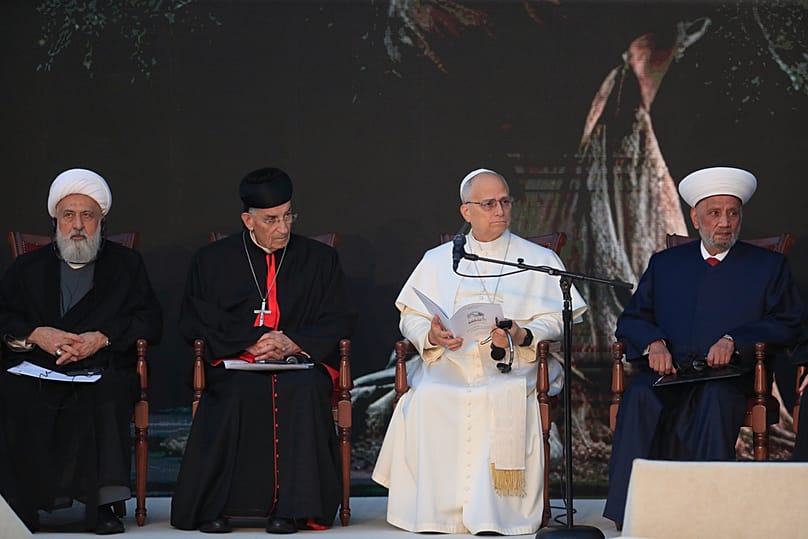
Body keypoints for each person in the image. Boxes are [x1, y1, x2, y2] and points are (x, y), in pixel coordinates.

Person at [372, 168, 587, 535]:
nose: (500, 211)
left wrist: (521, 333)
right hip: (452, 363)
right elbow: (410, 317)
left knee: (498, 396)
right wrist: (432, 335)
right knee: (429, 397)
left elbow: (558, 319)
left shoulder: (538, 259)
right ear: (466, 211)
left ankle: (493, 515)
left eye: (505, 202)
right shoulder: (438, 259)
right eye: (488, 204)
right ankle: (436, 513)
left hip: (515, 364)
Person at [603, 166, 805, 526]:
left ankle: (708, 512)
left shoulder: (767, 265)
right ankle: (634, 511)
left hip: (730, 376)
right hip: (671, 372)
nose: (725, 222)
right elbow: (632, 318)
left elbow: (789, 321)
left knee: (713, 399)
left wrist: (736, 340)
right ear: (695, 218)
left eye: (732, 213)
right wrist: (654, 343)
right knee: (639, 395)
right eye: (714, 213)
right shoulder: (665, 264)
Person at [170, 167, 356, 534]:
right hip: (237, 362)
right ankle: (219, 507)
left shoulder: (320, 259)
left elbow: (341, 318)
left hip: (299, 364)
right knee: (234, 391)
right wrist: (249, 340)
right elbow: (195, 320)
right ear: (248, 220)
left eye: (288, 216)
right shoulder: (212, 260)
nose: (283, 228)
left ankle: (293, 510)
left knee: (302, 389)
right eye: (271, 219)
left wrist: (292, 342)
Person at [0, 168, 163, 534]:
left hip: (101, 365)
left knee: (105, 394)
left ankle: (101, 506)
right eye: (68, 215)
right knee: (13, 392)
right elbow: (4, 316)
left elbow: (150, 321)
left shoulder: (126, 265)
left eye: (87, 215)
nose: (77, 225)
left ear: (101, 220)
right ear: (55, 221)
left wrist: (102, 338)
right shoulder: (28, 268)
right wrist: (36, 334)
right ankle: (23, 504)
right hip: (40, 365)